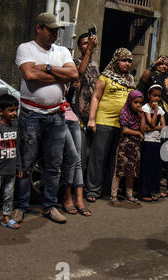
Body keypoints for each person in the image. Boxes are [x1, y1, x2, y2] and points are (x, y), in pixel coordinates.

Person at [13, 12, 78, 224]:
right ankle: (20, 206)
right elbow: (30, 75)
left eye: (56, 30)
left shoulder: (62, 51)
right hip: (31, 114)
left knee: (54, 164)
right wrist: (60, 74)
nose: (54, 34)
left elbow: (74, 74)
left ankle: (49, 206)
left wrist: (48, 68)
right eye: (50, 30)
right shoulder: (26, 48)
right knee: (26, 163)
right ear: (39, 28)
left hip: (56, 114)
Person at [85, 48, 135, 202]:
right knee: (98, 157)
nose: (127, 64)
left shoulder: (130, 79)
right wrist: (92, 119)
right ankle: (93, 190)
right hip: (104, 120)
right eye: (124, 60)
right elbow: (96, 97)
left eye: (129, 61)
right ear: (116, 61)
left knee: (115, 158)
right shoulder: (105, 77)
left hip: (122, 124)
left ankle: (108, 189)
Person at [0, 95, 23, 232]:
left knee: (9, 195)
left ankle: (6, 217)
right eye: (11, 110)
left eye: (16, 110)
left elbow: (17, 148)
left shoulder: (15, 127)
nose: (14, 113)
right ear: (1, 111)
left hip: (11, 170)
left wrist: (19, 166)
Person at [110, 90, 146, 207]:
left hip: (135, 145)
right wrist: (138, 133)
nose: (138, 105)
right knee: (120, 171)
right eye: (136, 102)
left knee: (131, 171)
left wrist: (142, 117)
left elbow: (143, 129)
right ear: (130, 101)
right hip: (125, 144)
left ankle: (129, 194)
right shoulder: (124, 113)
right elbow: (124, 130)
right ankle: (114, 195)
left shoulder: (138, 115)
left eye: (140, 103)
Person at [72, 33, 100, 177]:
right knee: (81, 153)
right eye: (84, 44)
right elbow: (80, 72)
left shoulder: (95, 65)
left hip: (93, 115)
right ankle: (78, 184)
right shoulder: (75, 62)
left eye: (89, 43)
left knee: (92, 153)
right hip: (79, 114)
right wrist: (89, 50)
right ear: (79, 47)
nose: (87, 46)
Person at [61, 105, 91, 216]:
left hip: (73, 119)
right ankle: (67, 197)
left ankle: (79, 199)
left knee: (78, 159)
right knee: (72, 157)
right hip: (59, 118)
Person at [140, 85, 166, 202]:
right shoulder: (145, 108)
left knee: (156, 167)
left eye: (159, 96)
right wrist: (155, 112)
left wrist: (154, 127)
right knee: (147, 167)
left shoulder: (161, 109)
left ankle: (153, 191)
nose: (157, 98)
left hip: (157, 141)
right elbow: (151, 124)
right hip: (147, 141)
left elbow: (163, 126)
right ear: (149, 95)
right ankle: (144, 192)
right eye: (154, 95)